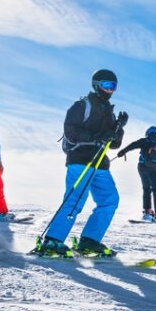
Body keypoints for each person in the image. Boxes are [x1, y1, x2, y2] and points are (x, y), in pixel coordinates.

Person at [37, 69, 128, 257]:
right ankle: (53, 241)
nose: (110, 90)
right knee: (76, 198)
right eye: (106, 85)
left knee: (110, 200)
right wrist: (95, 138)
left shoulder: (109, 113)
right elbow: (70, 130)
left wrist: (119, 128)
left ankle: (89, 241)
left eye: (113, 87)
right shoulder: (82, 105)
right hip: (80, 159)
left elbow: (114, 144)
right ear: (96, 85)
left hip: (100, 164)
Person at [117, 126, 156, 222]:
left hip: (143, 167)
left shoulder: (145, 140)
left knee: (147, 189)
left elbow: (132, 145)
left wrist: (122, 152)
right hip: (154, 169)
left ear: (148, 132)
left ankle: (147, 211)